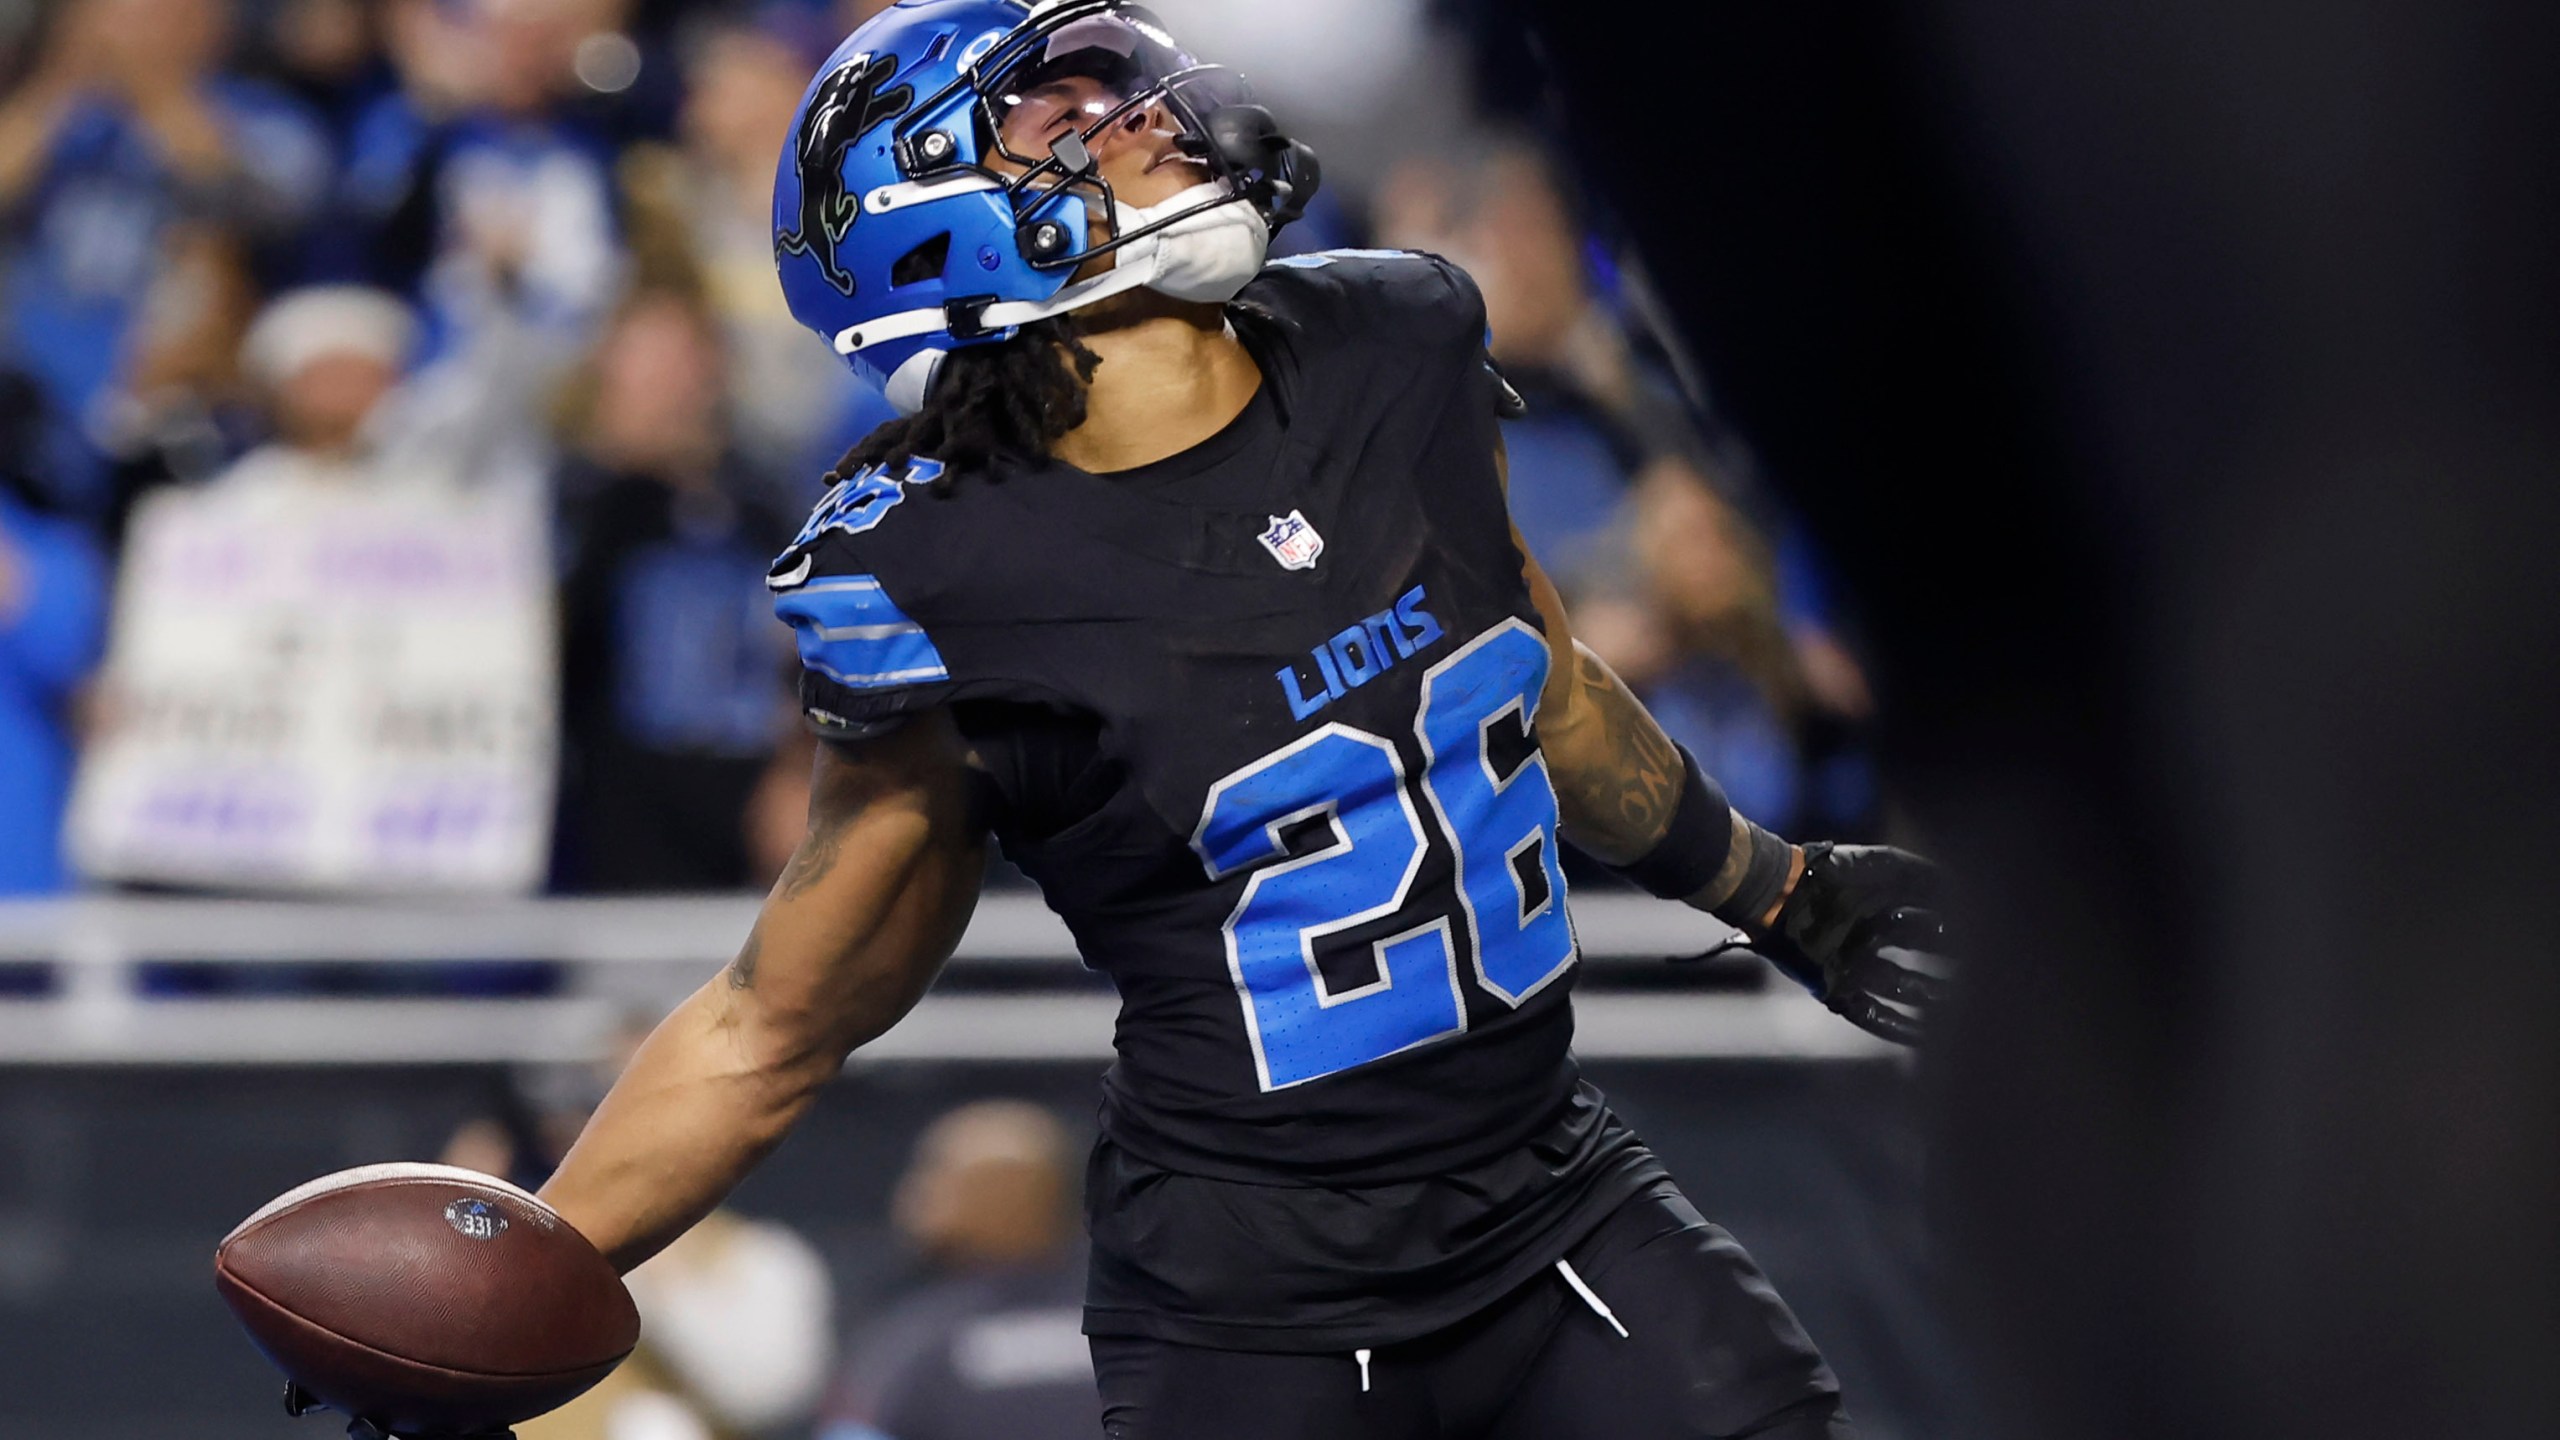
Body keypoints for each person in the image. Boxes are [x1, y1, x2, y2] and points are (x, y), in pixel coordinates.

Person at [536, 5, 1950, 1439]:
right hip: (1252, 1315)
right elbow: (773, 1021)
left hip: (1554, 1198)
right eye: (1059, 111)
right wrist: (522, 1279)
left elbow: (1547, 684)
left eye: (1119, 78)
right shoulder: (936, 569)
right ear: (927, 213)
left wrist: (1780, 893)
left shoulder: (1391, 337)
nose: (1142, 111)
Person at [821, 1101, 1104, 1440]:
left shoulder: (913, 1345)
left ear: (1009, 1195)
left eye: (937, 1171)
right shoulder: (1142, 1323)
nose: (916, 1193)